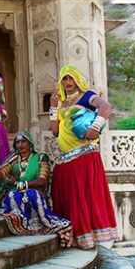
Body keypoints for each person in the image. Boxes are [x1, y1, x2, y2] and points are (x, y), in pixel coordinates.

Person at [49, 65, 118, 249]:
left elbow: (106, 106)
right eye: (64, 79)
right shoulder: (61, 101)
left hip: (84, 155)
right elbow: (55, 131)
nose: (68, 83)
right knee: (70, 197)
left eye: (71, 78)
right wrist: (53, 107)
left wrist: (95, 127)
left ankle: (88, 239)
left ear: (77, 79)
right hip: (66, 157)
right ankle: (74, 237)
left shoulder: (87, 96)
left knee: (83, 196)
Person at [0, 132, 72, 246]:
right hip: (16, 192)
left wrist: (20, 185)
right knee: (12, 195)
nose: (20, 145)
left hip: (35, 191)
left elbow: (42, 180)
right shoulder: (14, 159)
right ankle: (22, 224)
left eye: (23, 141)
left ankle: (40, 222)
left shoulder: (41, 158)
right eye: (17, 142)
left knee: (32, 194)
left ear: (30, 143)